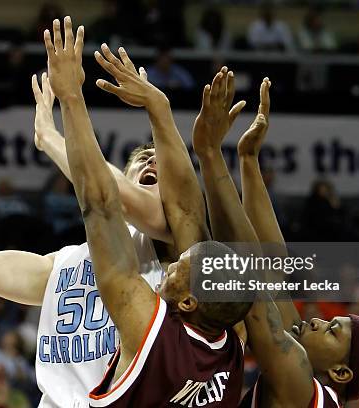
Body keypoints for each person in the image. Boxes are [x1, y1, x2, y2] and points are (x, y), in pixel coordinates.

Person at [0, 26, 172, 408]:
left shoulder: (177, 250)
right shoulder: (60, 266)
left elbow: (108, 196)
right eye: (140, 160)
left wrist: (53, 137)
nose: (150, 160)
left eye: (161, 166)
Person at [44, 18, 251, 406]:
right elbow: (187, 213)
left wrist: (70, 99)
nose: (171, 266)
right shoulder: (230, 344)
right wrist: (160, 109)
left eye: (178, 269)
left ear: (189, 302)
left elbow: (101, 205)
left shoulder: (149, 326)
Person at [187, 69, 359, 406]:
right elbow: (272, 267)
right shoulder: (308, 375)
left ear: (341, 372)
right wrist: (248, 160)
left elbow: (248, 279)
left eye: (331, 331)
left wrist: (209, 155)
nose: (316, 321)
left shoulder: (302, 388)